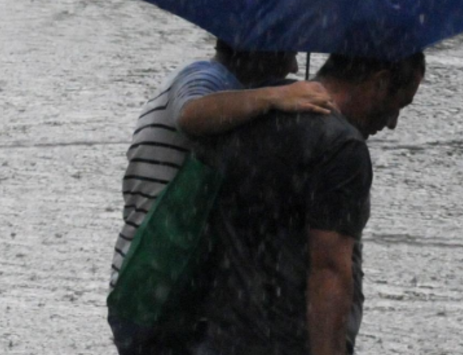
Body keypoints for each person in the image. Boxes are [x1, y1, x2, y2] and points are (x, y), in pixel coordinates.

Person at [191, 51, 426, 355]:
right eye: (398, 105)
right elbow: (329, 270)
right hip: (289, 342)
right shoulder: (341, 148)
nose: (393, 122)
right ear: (379, 83)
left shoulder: (249, 107)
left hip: (218, 335)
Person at [108, 40, 335, 355]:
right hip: (157, 286)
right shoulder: (203, 77)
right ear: (259, 52)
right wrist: (274, 96)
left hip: (163, 283)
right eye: (289, 54)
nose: (294, 67)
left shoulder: (229, 93)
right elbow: (191, 115)